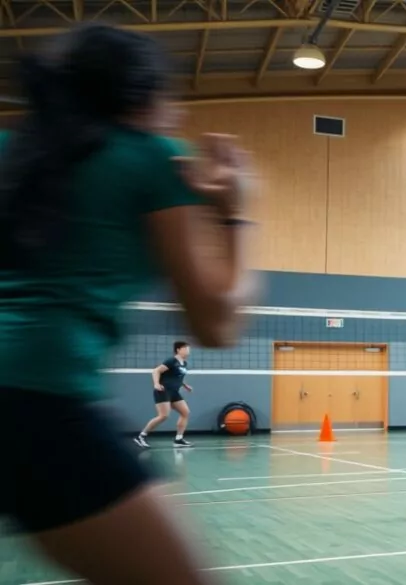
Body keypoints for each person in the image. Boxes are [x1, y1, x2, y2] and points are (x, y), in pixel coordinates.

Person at [0, 23, 258, 585]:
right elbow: (217, 324)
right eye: (171, 99)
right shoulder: (149, 158)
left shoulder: (13, 149)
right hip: (36, 405)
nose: (175, 115)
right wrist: (236, 214)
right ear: (145, 97)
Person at [135, 340, 195, 448]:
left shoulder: (184, 363)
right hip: (163, 390)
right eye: (186, 348)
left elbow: (177, 377)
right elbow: (156, 371)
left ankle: (178, 439)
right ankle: (141, 437)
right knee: (163, 416)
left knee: (185, 412)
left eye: (189, 349)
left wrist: (185, 386)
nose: (188, 351)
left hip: (174, 392)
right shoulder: (171, 360)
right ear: (178, 350)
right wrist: (156, 383)